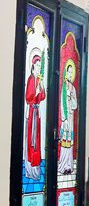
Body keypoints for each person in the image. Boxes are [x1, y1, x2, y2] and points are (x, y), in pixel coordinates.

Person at [25, 52, 46, 180]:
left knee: (37, 140)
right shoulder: (30, 79)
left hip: (37, 114)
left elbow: (43, 97)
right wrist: (36, 91)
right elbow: (28, 98)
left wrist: (41, 85)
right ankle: (30, 170)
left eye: (40, 65)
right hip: (31, 113)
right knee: (31, 141)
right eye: (37, 65)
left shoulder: (38, 79)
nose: (38, 68)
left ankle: (36, 168)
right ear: (33, 66)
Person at [58, 59, 78, 175]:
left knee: (70, 143)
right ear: (66, 73)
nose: (70, 74)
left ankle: (69, 165)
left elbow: (75, 106)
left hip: (71, 118)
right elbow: (62, 103)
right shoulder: (64, 87)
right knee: (64, 142)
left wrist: (72, 98)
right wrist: (64, 119)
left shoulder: (73, 88)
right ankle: (62, 165)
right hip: (66, 118)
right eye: (68, 72)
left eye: (71, 72)